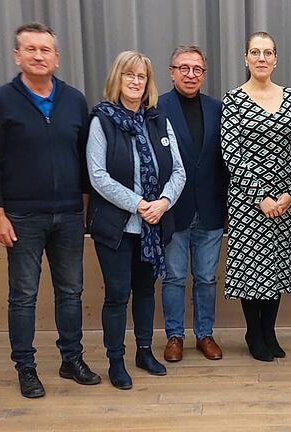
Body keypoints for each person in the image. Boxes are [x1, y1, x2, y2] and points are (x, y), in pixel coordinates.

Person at [0, 22, 100, 399]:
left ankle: (71, 358)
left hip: (67, 214)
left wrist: (82, 208)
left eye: (45, 49)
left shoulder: (74, 99)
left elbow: (84, 160)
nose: (38, 55)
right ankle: (26, 367)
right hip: (21, 217)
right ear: (17, 55)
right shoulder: (0, 102)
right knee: (24, 295)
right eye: (30, 49)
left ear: (56, 57)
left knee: (71, 291)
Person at [87, 51, 186, 390]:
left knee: (146, 291)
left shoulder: (158, 120)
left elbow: (178, 170)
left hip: (152, 225)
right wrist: (140, 204)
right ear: (118, 79)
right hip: (116, 228)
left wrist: (164, 201)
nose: (135, 81)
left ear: (147, 83)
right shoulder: (102, 120)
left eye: (141, 76)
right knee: (117, 295)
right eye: (129, 75)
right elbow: (97, 177)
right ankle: (116, 360)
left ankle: (144, 351)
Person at [221, 31, 291, 362]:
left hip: (285, 199)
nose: (261, 58)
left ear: (276, 59)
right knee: (252, 268)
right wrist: (260, 196)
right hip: (246, 200)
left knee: (277, 266)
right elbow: (232, 152)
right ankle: (253, 332)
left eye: (267, 52)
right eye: (255, 52)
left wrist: (290, 193)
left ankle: (269, 330)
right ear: (245, 58)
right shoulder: (232, 100)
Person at [158, 45, 227, 363]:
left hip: (211, 209)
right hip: (173, 210)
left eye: (197, 69)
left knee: (206, 277)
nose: (190, 74)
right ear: (171, 71)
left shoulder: (218, 108)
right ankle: (174, 336)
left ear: (204, 73)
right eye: (183, 68)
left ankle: (204, 334)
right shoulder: (157, 109)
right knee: (172, 277)